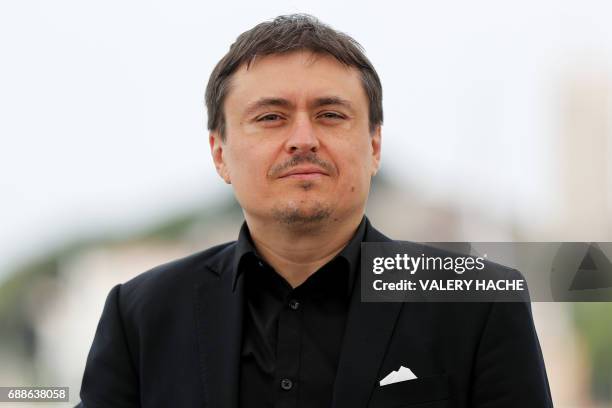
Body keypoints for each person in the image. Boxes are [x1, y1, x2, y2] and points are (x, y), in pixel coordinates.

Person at [77, 14, 553, 407]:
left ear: (374, 145)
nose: (303, 139)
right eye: (270, 117)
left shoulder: (478, 303)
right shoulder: (141, 315)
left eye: (330, 114)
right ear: (220, 153)